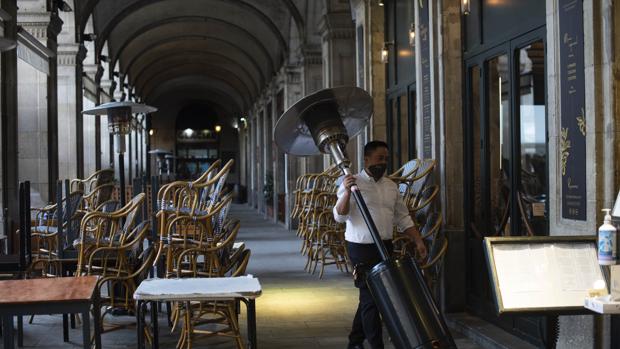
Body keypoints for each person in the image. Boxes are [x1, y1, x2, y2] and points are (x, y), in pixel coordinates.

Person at [333, 140, 428, 349]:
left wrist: (418, 240)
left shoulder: (391, 186)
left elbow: (403, 218)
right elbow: (340, 216)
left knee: (371, 296)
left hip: (385, 245)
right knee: (372, 299)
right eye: (379, 158)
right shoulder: (352, 181)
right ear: (366, 159)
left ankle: (355, 341)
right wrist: (347, 192)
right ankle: (376, 345)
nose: (383, 163)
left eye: (385, 159)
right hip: (361, 248)